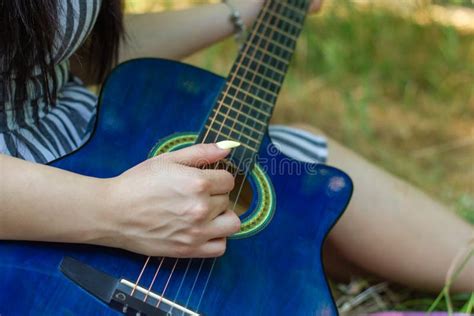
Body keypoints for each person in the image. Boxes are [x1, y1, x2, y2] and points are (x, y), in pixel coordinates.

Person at [0, 0, 472, 296]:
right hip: (35, 196)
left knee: (301, 179)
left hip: (93, 137)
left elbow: (62, 51)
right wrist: (114, 210)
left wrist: (240, 9)